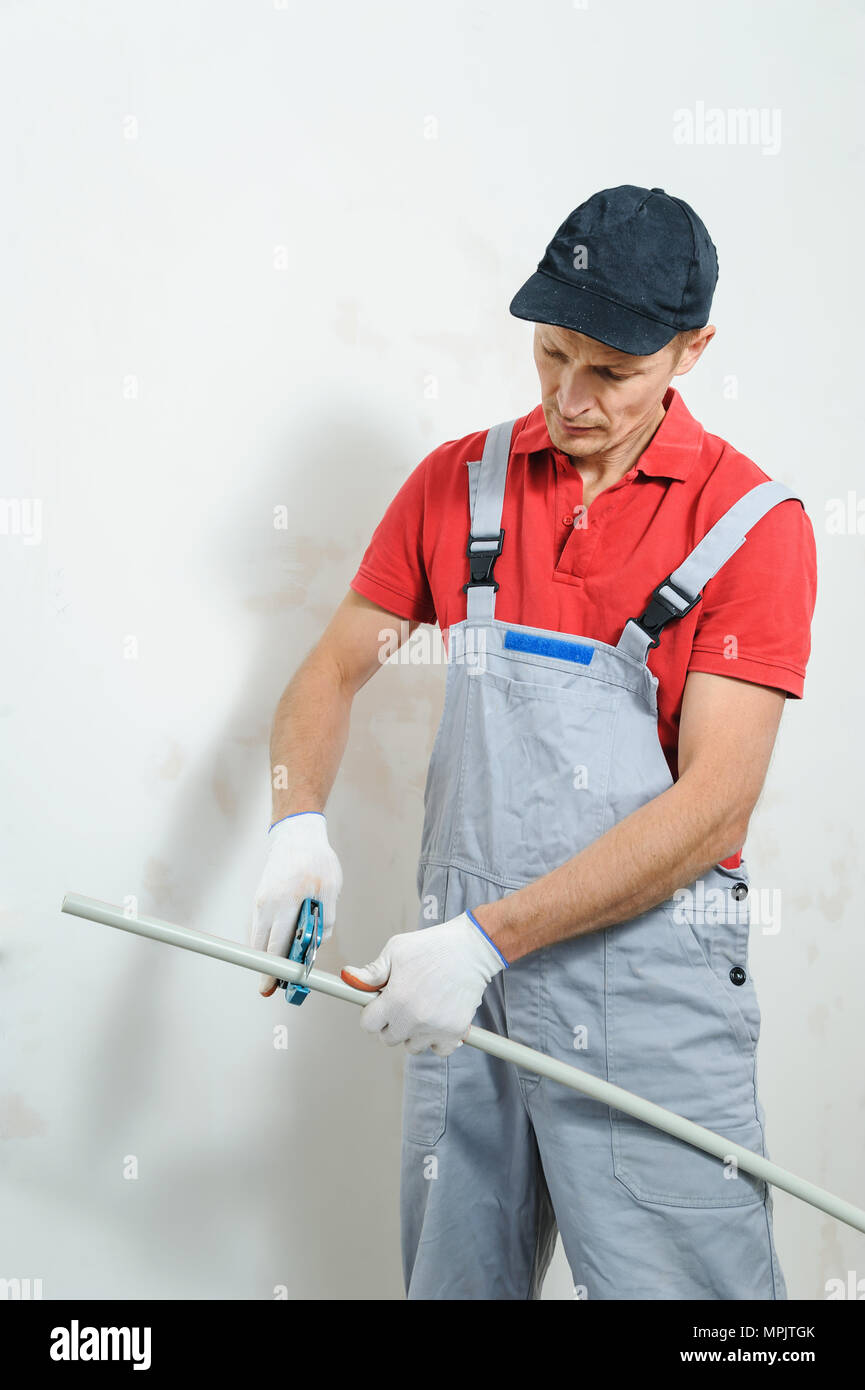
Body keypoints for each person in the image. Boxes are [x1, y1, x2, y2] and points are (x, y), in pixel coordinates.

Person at [251, 185, 817, 1300]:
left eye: (611, 371)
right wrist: (295, 824)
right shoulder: (456, 485)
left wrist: (486, 941)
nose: (569, 397)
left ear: (691, 351)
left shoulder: (750, 526)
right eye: (551, 353)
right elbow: (329, 670)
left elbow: (715, 803)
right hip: (464, 994)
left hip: (645, 996)